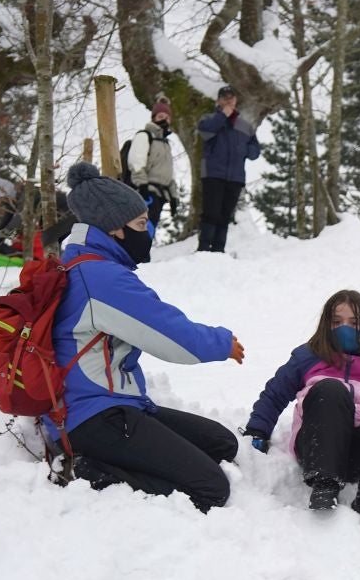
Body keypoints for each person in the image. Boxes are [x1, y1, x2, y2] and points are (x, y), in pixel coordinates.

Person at [50, 162, 246, 512]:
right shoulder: (99, 279)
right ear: (114, 230)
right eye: (141, 224)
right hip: (92, 418)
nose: (149, 231)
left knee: (221, 444)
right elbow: (169, 335)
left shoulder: (89, 266)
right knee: (212, 489)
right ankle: (89, 471)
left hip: (114, 406)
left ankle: (120, 459)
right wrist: (221, 343)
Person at [242, 290, 360, 538]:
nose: (345, 328)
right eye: (337, 322)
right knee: (331, 389)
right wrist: (257, 430)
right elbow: (275, 394)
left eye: (354, 322)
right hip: (320, 444)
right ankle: (325, 483)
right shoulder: (308, 356)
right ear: (326, 324)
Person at [196, 84, 261, 253]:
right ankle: (203, 248)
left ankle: (219, 250)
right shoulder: (209, 119)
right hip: (213, 174)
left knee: (225, 216)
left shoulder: (244, 125)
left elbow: (255, 151)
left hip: (235, 177)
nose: (228, 100)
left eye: (231, 97)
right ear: (218, 101)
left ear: (236, 100)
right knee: (211, 213)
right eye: (224, 97)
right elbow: (204, 131)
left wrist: (244, 150)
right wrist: (223, 116)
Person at [127, 97, 180, 232]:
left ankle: (143, 252)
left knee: (151, 228)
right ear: (154, 118)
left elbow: (170, 172)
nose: (164, 120)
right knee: (141, 227)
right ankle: (137, 252)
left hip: (161, 194)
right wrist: (142, 185)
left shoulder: (166, 144)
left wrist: (174, 196)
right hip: (147, 191)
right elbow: (136, 161)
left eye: (167, 117)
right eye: (161, 116)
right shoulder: (145, 136)